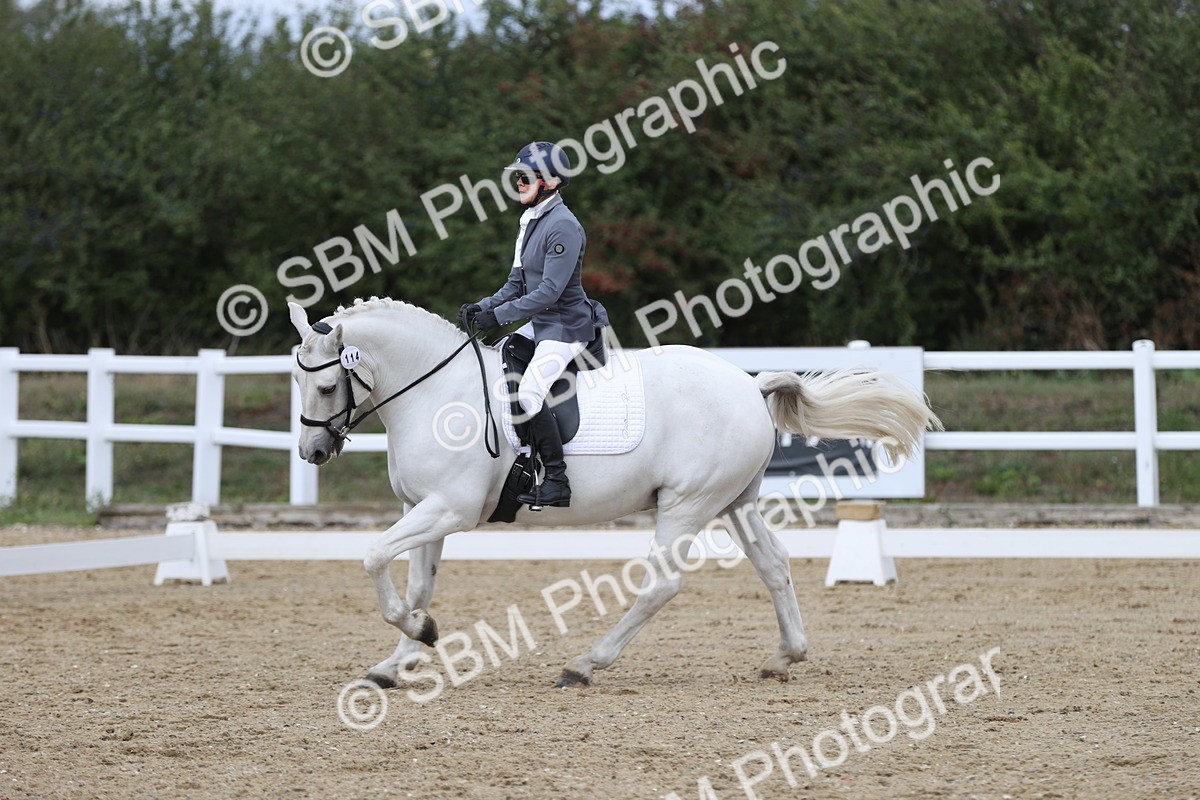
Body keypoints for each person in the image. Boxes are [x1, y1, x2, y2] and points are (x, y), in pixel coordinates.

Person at [461, 141, 609, 508]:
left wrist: (498, 316)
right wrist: (482, 306)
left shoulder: (564, 226)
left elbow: (549, 292)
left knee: (527, 394)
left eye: (525, 176)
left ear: (551, 181)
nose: (518, 182)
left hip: (567, 326)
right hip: (542, 323)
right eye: (517, 177)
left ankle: (557, 479)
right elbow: (515, 283)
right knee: (503, 357)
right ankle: (524, 457)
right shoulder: (530, 220)